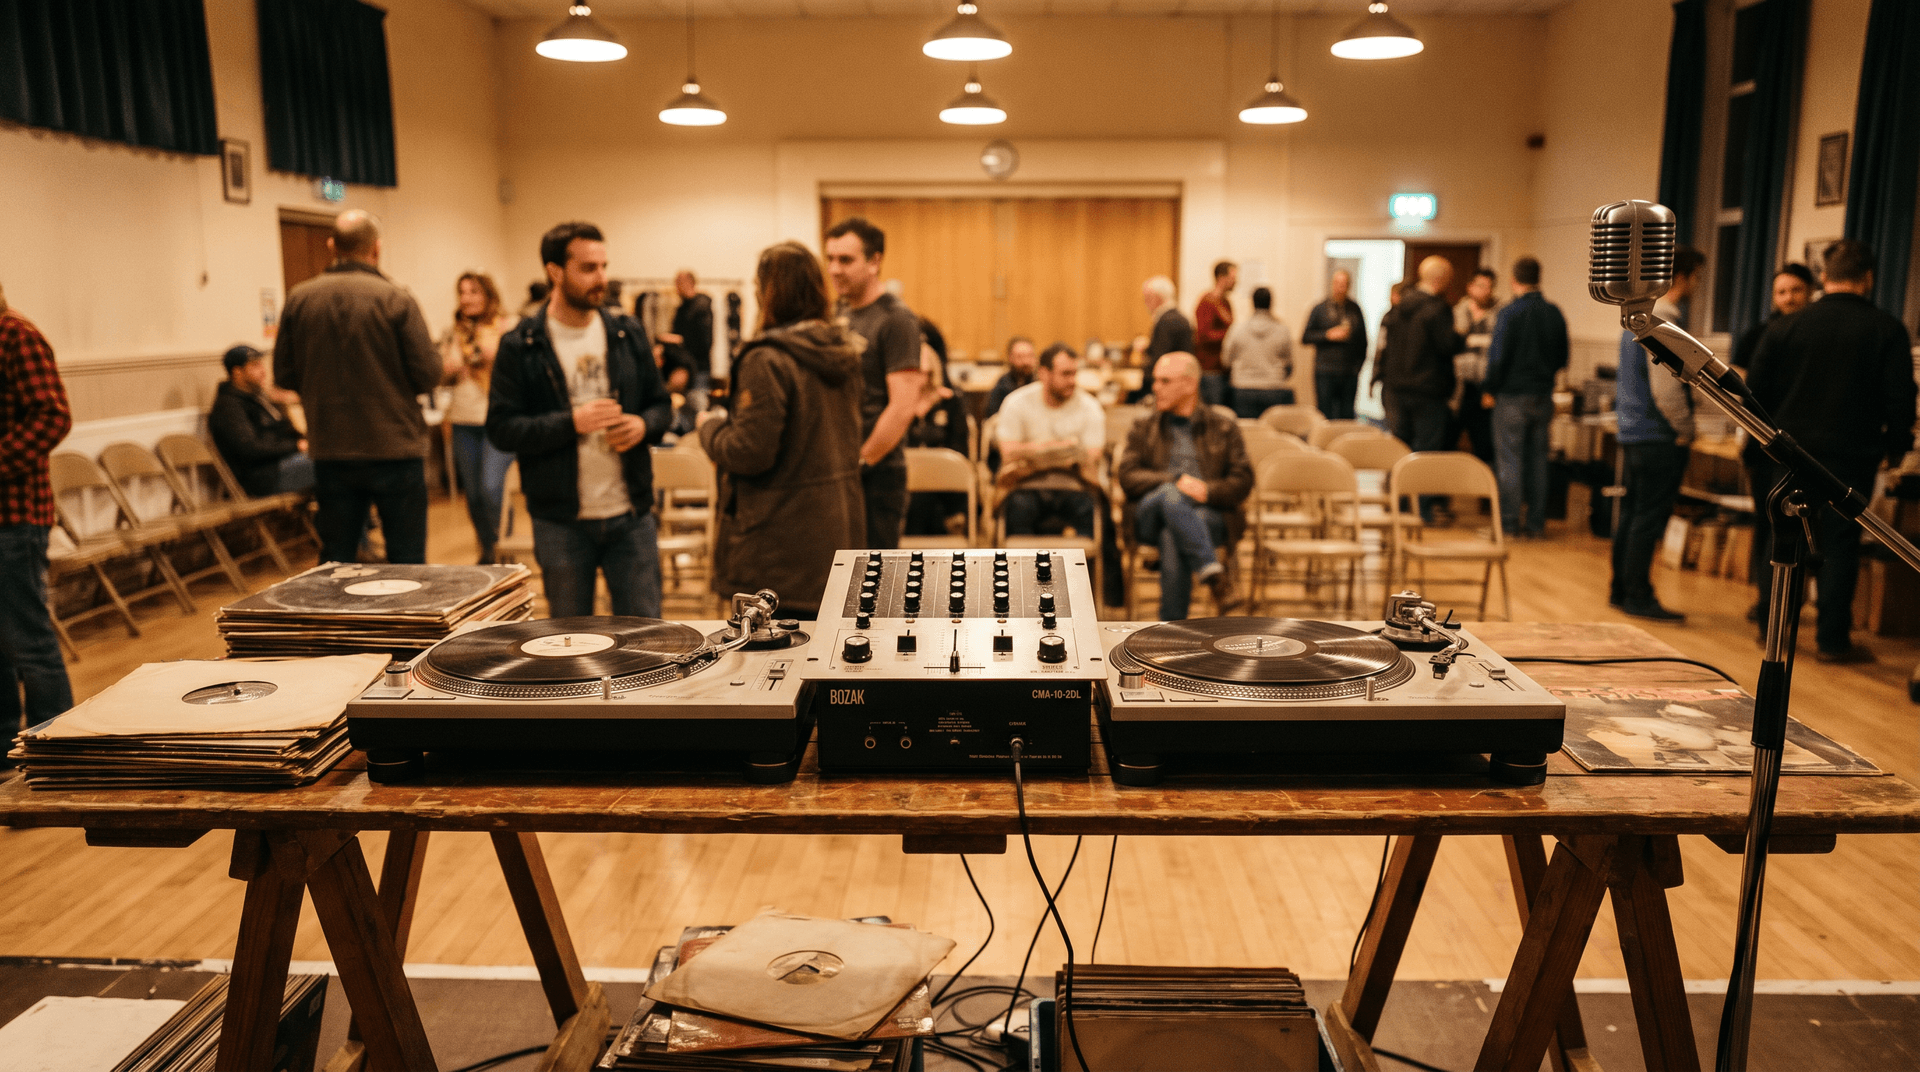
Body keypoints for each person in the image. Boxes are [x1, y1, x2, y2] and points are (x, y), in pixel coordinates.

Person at [488, 221, 672, 618]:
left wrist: (642, 425)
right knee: (573, 644)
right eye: (588, 268)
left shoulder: (627, 332)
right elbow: (502, 428)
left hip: (631, 514)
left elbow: (661, 406)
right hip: (561, 522)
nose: (601, 278)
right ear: (555, 272)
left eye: (604, 266)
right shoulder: (521, 344)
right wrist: (571, 422)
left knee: (647, 639)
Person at [1745, 239, 1917, 661]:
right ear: (1868, 279)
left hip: (1788, 454)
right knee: (1842, 544)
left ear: (1823, 277)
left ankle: (1774, 629)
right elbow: (1900, 399)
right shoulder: (1886, 329)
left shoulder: (1785, 327)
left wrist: (1764, 444)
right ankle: (1832, 639)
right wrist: (1896, 450)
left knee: (1783, 538)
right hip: (1851, 456)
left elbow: (1755, 395)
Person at [696, 242, 865, 618]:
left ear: (766, 292)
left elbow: (747, 452)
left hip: (777, 548)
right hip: (835, 535)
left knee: (768, 669)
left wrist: (709, 429)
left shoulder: (767, 358)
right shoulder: (842, 353)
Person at [273, 210, 441, 565]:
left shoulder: (299, 298)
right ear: (376, 249)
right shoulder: (396, 299)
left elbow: (284, 376)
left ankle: (335, 622)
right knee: (407, 559)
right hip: (395, 446)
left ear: (332, 245)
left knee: (336, 559)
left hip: (332, 447)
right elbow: (428, 375)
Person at [1116, 352, 1253, 619]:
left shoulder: (1223, 427)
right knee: (1171, 494)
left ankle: (1171, 630)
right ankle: (1213, 573)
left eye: (1164, 381)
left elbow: (1243, 480)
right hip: (1149, 515)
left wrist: (1208, 491)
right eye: (1155, 380)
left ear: (1190, 384)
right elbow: (1128, 476)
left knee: (1172, 536)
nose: (1155, 387)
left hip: (1208, 513)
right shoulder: (1144, 427)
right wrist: (1175, 480)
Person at [1609, 246, 1705, 622]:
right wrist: (1685, 428)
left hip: (1634, 431)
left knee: (1633, 514)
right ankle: (1638, 594)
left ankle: (1621, 589)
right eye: (1695, 276)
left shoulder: (1637, 318)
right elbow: (1666, 388)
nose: (1697, 284)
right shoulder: (1663, 322)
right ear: (1680, 277)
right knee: (1648, 517)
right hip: (1658, 434)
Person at [0, 286, 75, 763]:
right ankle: (7, 752)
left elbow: (53, 416)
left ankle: (53, 753)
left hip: (13, 515)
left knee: (30, 642)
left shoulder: (15, 336)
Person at [824, 217, 923, 550]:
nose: (835, 269)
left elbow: (903, 405)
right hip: (841, 471)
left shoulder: (896, 318)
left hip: (876, 476)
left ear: (875, 261)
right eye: (830, 259)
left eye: (846, 260)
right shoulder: (841, 312)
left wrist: (862, 462)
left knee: (875, 587)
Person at [1482, 257, 1568, 539]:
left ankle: (1508, 524)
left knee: (1510, 460)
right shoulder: (1554, 312)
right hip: (1543, 395)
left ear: (1513, 279)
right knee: (1538, 461)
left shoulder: (1509, 313)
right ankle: (1536, 524)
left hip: (1512, 396)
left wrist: (1489, 389)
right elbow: (1562, 356)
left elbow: (1498, 358)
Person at [1375, 258, 1464, 523]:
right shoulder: (1437, 310)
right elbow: (1447, 347)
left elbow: (1384, 348)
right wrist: (1460, 333)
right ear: (1441, 280)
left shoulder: (1397, 308)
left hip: (1395, 390)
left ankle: (1398, 504)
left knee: (1401, 449)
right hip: (1427, 392)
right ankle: (1421, 509)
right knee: (1425, 453)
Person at [439, 272, 518, 564]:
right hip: (463, 419)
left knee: (491, 488)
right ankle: (488, 551)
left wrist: (492, 354)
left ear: (487, 294)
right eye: (462, 292)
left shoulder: (508, 327)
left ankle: (504, 549)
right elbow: (442, 372)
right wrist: (449, 366)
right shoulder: (454, 332)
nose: (466, 298)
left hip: (497, 419)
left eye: (473, 291)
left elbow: (516, 367)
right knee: (472, 495)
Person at [997, 343, 1105, 537]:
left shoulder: (1090, 406)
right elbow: (1008, 453)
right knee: (1016, 508)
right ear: (1044, 373)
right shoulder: (1017, 402)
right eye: (1065, 374)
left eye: (1074, 374)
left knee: (1095, 510)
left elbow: (1092, 456)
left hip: (1074, 484)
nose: (1072, 381)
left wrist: (1034, 455)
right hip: (1026, 484)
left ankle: (1090, 567)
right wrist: (1063, 449)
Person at [208, 344, 313, 497]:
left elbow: (282, 429)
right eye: (255, 366)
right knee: (331, 466)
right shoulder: (229, 407)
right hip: (264, 477)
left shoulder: (257, 398)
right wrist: (296, 446)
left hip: (283, 464)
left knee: (336, 459)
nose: (263, 371)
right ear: (237, 372)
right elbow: (251, 448)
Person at [903, 318, 972, 538]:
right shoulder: (898, 405)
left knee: (927, 500)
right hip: (907, 487)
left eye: (926, 373)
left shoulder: (950, 403)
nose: (921, 379)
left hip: (944, 492)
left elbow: (961, 450)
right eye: (915, 372)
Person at [1301, 269, 1367, 420]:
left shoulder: (1354, 309)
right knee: (1325, 413)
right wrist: (1327, 335)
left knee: (1346, 414)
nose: (1340, 288)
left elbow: (1363, 341)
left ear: (1348, 286)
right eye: (1337, 284)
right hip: (1325, 371)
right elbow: (1305, 337)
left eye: (1343, 284)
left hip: (1348, 371)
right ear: (1332, 284)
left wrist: (1358, 367)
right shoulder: (1320, 308)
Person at [1452, 267, 1502, 464]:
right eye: (1481, 286)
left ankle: (1485, 492)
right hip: (1459, 387)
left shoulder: (1501, 316)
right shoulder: (1456, 312)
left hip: (1485, 389)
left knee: (1484, 444)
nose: (1485, 291)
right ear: (1470, 287)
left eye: (1490, 287)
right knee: (1449, 441)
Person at [1223, 286, 1294, 418]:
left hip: (1243, 390)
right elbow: (1289, 365)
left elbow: (1226, 360)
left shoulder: (1237, 329)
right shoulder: (1283, 330)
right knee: (1272, 435)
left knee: (1247, 433)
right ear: (1271, 303)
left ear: (1252, 303)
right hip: (1274, 388)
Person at [1731, 263, 1815, 370]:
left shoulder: (1820, 330)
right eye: (1781, 292)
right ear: (1774, 296)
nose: (1789, 299)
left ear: (1810, 291)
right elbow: (1738, 372)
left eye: (1796, 290)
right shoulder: (1756, 335)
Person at [657, 269, 715, 423]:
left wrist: (678, 340)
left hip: (698, 370)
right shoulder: (682, 308)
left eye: (678, 282)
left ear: (690, 282)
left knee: (698, 414)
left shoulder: (701, 307)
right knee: (684, 414)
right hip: (683, 369)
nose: (676, 286)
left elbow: (705, 343)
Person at [1194, 260, 1236, 409]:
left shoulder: (1226, 303)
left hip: (1224, 368)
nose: (1236, 281)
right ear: (1221, 278)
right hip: (1210, 370)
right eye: (1233, 277)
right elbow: (1203, 335)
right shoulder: (1207, 302)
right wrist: (1229, 336)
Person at [1142, 276, 1193, 362]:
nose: (1145, 302)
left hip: (1171, 374)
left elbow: (1159, 359)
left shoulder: (1167, 321)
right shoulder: (1178, 317)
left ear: (1157, 297)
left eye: (1147, 297)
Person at [984, 336, 1037, 419]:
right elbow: (992, 415)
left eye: (1030, 356)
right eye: (1020, 357)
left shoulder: (1040, 383)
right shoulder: (1002, 385)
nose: (1026, 361)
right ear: (1010, 358)